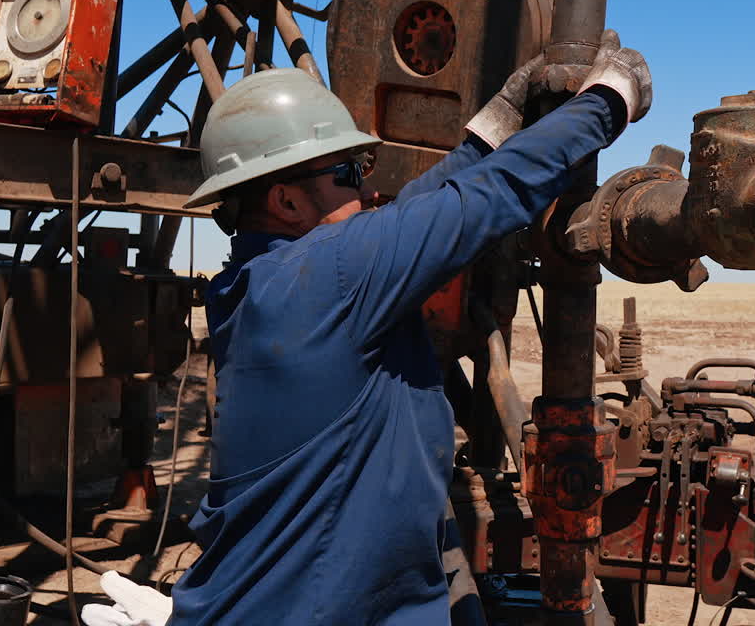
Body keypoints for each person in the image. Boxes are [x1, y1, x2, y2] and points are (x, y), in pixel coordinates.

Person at [156, 31, 650, 625]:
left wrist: (505, 115)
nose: (368, 186)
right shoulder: (328, 277)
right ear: (286, 202)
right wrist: (608, 101)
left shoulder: (272, 281)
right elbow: (485, 198)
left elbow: (418, 210)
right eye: (348, 172)